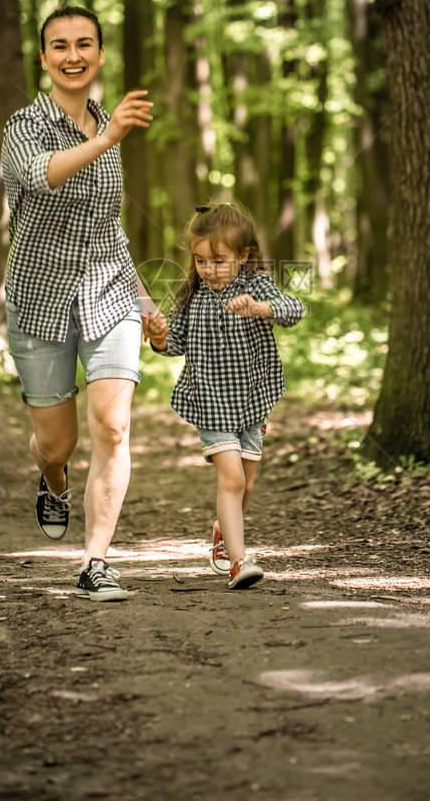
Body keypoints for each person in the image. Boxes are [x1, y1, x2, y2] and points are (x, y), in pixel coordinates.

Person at [1, 5, 157, 602]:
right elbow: (42, 175)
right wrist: (109, 137)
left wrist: (143, 299)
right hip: (39, 300)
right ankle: (53, 479)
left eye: (84, 44)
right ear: (43, 58)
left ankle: (96, 562)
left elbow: (109, 227)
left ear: (99, 53)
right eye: (59, 46)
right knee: (56, 443)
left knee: (114, 429)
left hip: (108, 293)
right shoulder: (25, 126)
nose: (73, 55)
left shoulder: (107, 123)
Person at [144, 202, 304, 590]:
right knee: (231, 479)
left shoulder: (255, 285)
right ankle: (238, 561)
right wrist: (160, 337)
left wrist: (260, 308)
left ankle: (223, 533)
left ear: (243, 256)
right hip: (211, 402)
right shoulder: (191, 296)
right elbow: (175, 343)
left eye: (218, 260)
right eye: (200, 261)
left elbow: (294, 308)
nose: (208, 270)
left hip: (252, 400)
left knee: (244, 484)